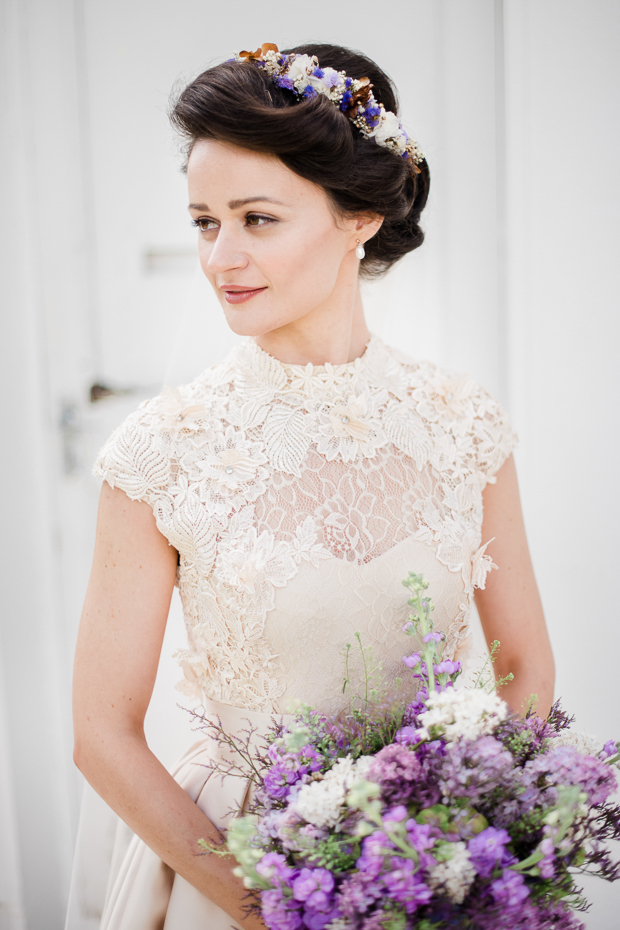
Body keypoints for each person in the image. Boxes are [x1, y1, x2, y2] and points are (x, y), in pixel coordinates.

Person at [70, 41, 555, 930]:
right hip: (242, 865)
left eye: (257, 218)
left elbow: (524, 668)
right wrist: (272, 901)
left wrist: (476, 838)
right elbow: (101, 736)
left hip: (430, 865)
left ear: (360, 215)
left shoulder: (464, 424)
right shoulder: (161, 452)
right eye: (204, 222)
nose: (222, 256)